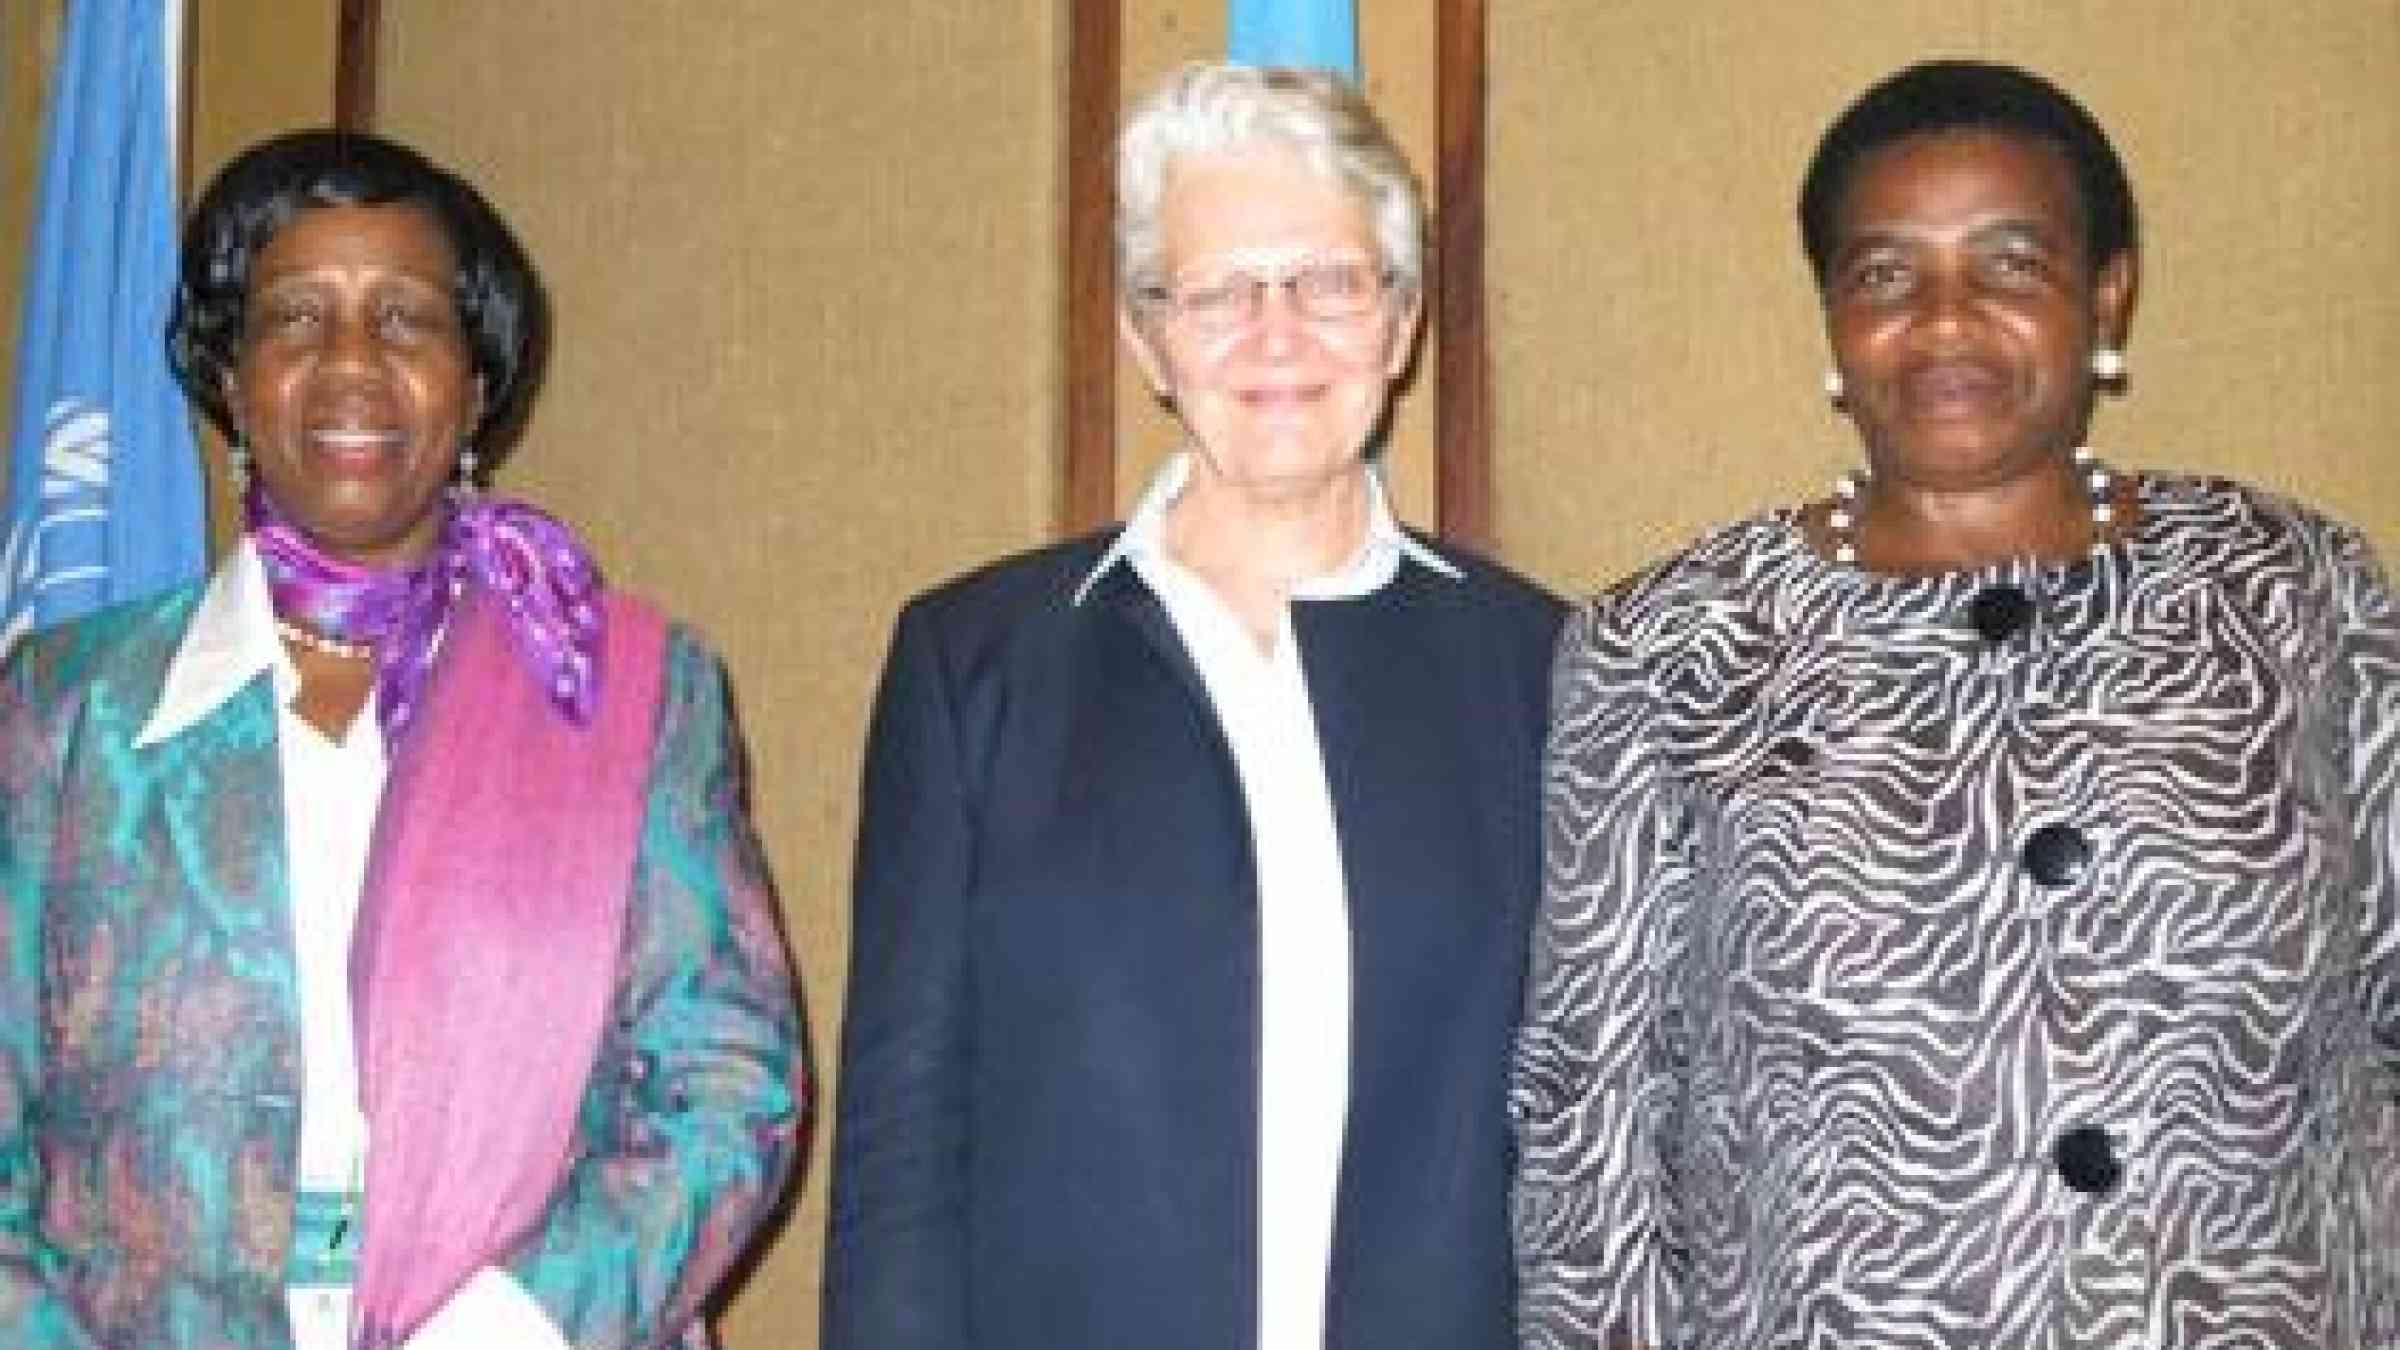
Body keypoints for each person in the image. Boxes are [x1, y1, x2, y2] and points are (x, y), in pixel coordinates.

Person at [1511, 58, 2400, 1348]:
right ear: (1830, 318)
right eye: (1884, 275)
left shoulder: (2294, 593)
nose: (1944, 321)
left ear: (2106, 293)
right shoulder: (1670, 647)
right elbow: (1590, 1128)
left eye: (2009, 265)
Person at [0, 129, 803, 1348]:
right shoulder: (64, 711)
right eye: (295, 319)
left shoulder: (626, 694)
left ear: (476, 385)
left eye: (407, 319)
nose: (350, 364)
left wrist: (506, 1332)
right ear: (231, 377)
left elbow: (726, 1089)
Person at [824, 62, 1563, 1350]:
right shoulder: (975, 663)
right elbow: (901, 1149)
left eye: (1330, 282)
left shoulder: (1540, 669)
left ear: (1398, 323)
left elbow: (1590, 1134)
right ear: (1144, 338)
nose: (1277, 336)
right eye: (1217, 292)